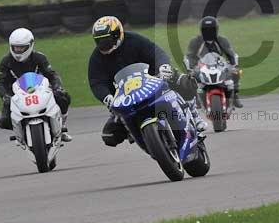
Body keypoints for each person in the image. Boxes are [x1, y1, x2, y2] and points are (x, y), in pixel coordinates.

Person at [87, 16, 205, 148]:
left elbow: (156, 52)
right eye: (99, 41)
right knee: (109, 135)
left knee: (184, 81)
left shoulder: (134, 40)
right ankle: (137, 133)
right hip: (125, 97)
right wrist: (106, 97)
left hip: (152, 81)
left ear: (117, 34)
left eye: (106, 40)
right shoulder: (97, 58)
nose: (103, 45)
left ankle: (194, 116)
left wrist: (163, 66)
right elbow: (96, 82)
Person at [0, 28, 73, 142]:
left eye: (22, 47)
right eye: (16, 47)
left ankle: (60, 127)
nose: (18, 50)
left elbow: (52, 75)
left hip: (40, 90)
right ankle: (20, 133)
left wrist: (57, 87)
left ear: (30, 45)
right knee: (4, 121)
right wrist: (5, 96)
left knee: (63, 97)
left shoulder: (39, 58)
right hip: (17, 95)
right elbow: (0, 83)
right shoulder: (6, 61)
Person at [184, 16, 243, 108]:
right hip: (201, 66)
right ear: (202, 31)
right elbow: (189, 56)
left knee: (236, 72)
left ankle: (234, 94)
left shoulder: (222, 40)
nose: (209, 32)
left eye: (211, 30)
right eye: (206, 30)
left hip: (219, 65)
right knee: (190, 78)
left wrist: (234, 65)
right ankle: (197, 98)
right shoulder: (195, 41)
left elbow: (230, 53)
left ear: (216, 29)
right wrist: (191, 68)